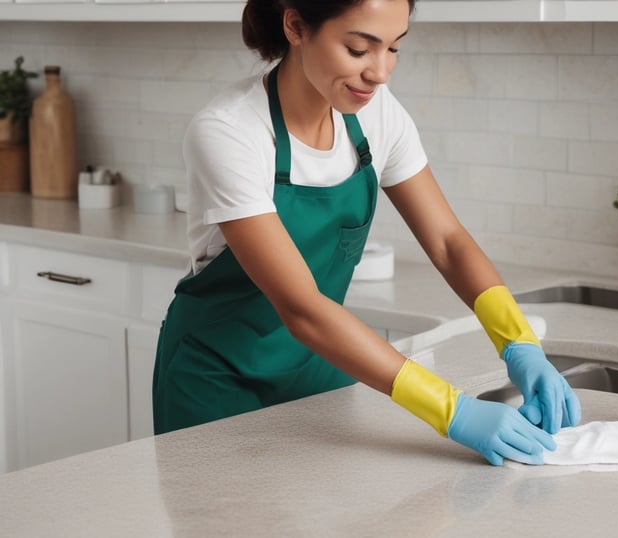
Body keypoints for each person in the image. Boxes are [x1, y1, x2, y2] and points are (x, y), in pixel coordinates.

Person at [152, 0, 581, 466]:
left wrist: (518, 343)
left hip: (319, 367)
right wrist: (450, 410)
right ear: (296, 26)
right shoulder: (229, 132)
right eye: (359, 48)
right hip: (217, 380)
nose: (380, 72)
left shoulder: (378, 116)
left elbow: (448, 242)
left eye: (394, 48)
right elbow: (302, 308)